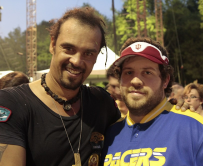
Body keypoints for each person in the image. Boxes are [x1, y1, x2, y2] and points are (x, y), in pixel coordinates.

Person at [0, 7, 122, 166]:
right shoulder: (12, 103)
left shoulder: (102, 103)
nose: (77, 61)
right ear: (53, 45)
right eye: (69, 49)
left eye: (88, 53)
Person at [102, 37, 203, 166]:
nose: (136, 81)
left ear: (165, 80)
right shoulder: (108, 134)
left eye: (147, 72)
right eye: (128, 72)